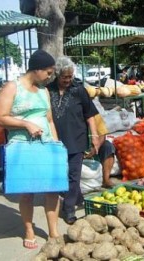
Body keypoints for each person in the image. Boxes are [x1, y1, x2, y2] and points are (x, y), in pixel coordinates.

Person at [0, 49, 60, 249]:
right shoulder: (12, 88)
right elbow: (0, 117)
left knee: (53, 189)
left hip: (46, 145)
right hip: (22, 147)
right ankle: (29, 230)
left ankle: (54, 232)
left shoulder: (43, 90)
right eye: (48, 72)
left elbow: (49, 119)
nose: (50, 77)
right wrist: (26, 124)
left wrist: (56, 144)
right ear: (37, 69)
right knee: (27, 192)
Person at [47, 56, 100, 225]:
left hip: (76, 139)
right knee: (60, 174)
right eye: (65, 77)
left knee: (73, 175)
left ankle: (69, 209)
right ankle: (77, 197)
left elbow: (90, 115)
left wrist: (95, 136)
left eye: (70, 76)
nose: (68, 80)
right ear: (57, 74)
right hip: (55, 140)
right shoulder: (48, 90)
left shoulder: (79, 90)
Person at [85, 113, 116, 188]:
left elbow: (102, 135)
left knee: (108, 146)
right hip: (77, 147)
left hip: (93, 147)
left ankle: (106, 180)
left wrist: (95, 148)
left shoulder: (95, 115)